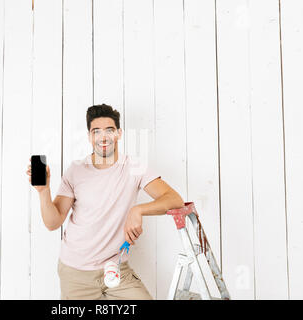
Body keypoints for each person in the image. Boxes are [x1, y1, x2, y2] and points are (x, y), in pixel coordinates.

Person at [26, 104, 184, 300]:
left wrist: (138, 210)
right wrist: (44, 191)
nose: (103, 137)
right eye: (96, 131)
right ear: (89, 137)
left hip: (116, 270)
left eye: (109, 130)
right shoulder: (76, 171)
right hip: (76, 274)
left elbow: (175, 200)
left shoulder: (134, 167)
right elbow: (53, 222)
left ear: (119, 133)